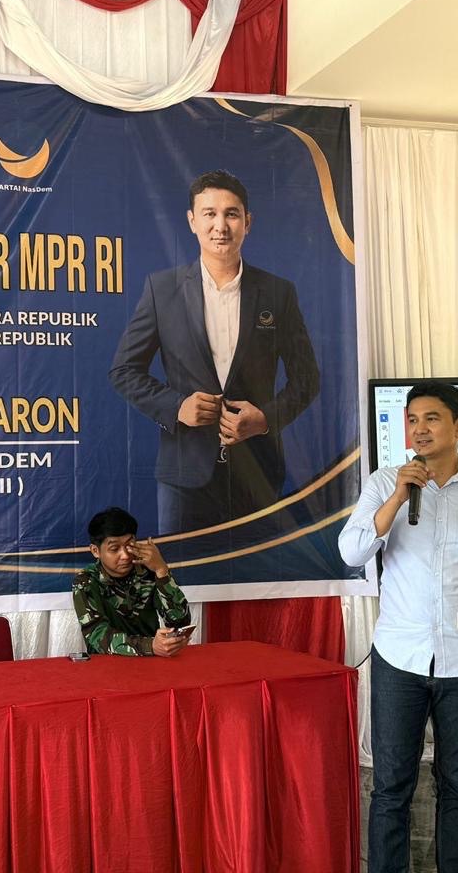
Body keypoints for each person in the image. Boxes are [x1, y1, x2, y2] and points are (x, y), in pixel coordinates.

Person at [339, 382, 458, 873]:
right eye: (412, 420)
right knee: (391, 788)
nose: (419, 429)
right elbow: (352, 552)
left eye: (432, 418)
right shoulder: (385, 484)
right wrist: (398, 497)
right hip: (399, 659)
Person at [109, 169, 320, 533]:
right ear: (193, 221)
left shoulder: (278, 293)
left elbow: (307, 378)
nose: (220, 226)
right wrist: (177, 406)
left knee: (257, 568)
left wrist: (265, 419)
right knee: (184, 570)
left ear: (247, 222)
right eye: (209, 213)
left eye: (231, 214)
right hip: (184, 476)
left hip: (259, 472)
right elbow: (123, 370)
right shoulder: (162, 290)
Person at [72, 506, 192, 657]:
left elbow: (180, 622)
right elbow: (97, 636)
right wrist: (149, 646)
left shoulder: (149, 570)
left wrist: (162, 570)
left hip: (150, 661)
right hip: (108, 664)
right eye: (114, 549)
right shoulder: (86, 581)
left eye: (129, 545)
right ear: (96, 551)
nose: (125, 555)